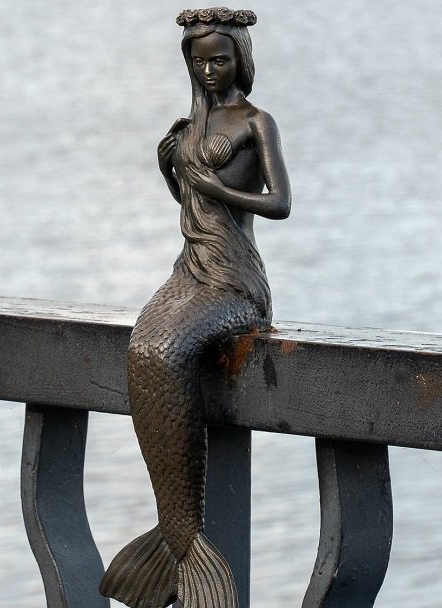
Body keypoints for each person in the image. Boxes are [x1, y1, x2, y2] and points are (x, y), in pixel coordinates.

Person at [100, 7, 290, 608]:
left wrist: (215, 187)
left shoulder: (256, 122)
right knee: (145, 347)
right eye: (200, 61)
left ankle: (184, 541)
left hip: (235, 280)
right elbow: (187, 206)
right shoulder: (186, 129)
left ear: (241, 60)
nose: (210, 71)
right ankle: (176, 531)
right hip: (191, 269)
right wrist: (174, 163)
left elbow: (280, 203)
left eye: (221, 60)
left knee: (167, 348)